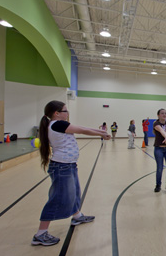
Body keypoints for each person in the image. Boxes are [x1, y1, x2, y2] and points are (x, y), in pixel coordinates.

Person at [32, 100, 110, 246]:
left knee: (75, 193)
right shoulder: (57, 124)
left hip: (68, 165)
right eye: (65, 111)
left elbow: (82, 127)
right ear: (57, 113)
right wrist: (102, 134)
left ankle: (77, 216)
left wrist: (101, 132)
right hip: (62, 167)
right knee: (57, 198)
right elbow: (82, 130)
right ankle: (40, 233)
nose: (67, 113)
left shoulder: (58, 125)